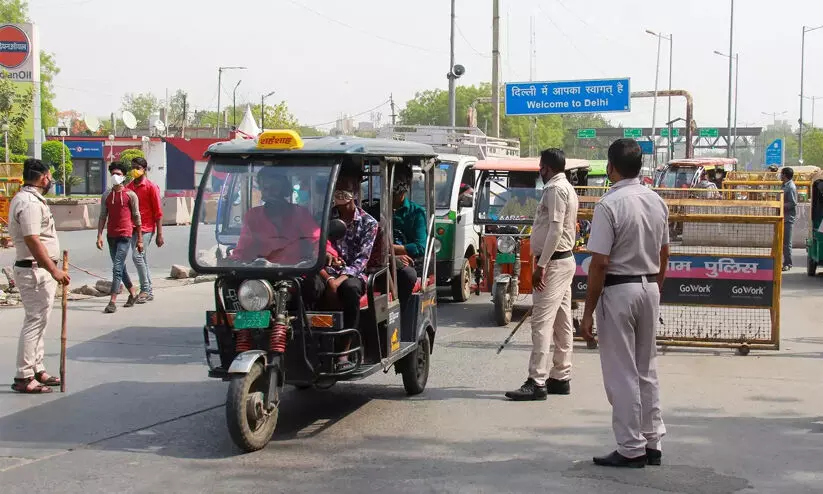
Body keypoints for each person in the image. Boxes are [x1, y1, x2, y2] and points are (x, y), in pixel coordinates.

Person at [579, 139, 669, 468]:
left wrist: (588, 312)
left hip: (619, 290)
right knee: (647, 369)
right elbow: (664, 253)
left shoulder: (609, 204)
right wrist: (654, 289)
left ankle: (631, 447)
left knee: (622, 373)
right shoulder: (656, 200)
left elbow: (599, 263)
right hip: (649, 287)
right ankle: (652, 441)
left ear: (611, 167)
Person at [505, 148, 579, 401]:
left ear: (547, 167)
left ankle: (537, 381)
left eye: (541, 166)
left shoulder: (555, 189)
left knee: (541, 322)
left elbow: (555, 230)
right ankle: (560, 376)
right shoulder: (566, 187)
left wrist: (541, 266)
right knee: (562, 321)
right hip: (562, 261)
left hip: (554, 263)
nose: (540, 171)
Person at [303, 160, 378, 372]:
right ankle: (309, 343)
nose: (342, 192)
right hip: (324, 270)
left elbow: (362, 260)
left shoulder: (369, 223)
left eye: (347, 187)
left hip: (352, 274)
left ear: (355, 191)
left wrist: (339, 279)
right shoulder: (324, 217)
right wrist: (328, 275)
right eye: (338, 187)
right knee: (307, 286)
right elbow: (315, 247)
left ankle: (345, 350)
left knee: (351, 289)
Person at [9, 159, 71, 394]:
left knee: (40, 321)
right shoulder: (29, 203)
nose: (50, 181)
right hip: (34, 269)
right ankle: (24, 375)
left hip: (39, 268)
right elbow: (32, 239)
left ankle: (36, 367)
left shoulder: (30, 199)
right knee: (35, 322)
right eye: (49, 177)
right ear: (44, 177)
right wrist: (54, 270)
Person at [230, 167, 324, 264]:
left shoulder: (300, 214)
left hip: (298, 271)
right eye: (265, 189)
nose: (269, 193)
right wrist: (233, 260)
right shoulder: (253, 216)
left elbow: (318, 239)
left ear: (285, 189)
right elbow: (243, 249)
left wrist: (325, 253)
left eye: (274, 188)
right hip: (262, 271)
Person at [97, 162, 143, 313]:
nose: (115, 176)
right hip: (111, 235)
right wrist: (99, 235)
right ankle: (133, 292)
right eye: (113, 174)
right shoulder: (106, 195)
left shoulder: (130, 195)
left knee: (117, 267)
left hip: (125, 235)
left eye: (118, 174)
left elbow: (137, 217)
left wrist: (140, 239)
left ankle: (112, 301)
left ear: (123, 176)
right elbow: (103, 216)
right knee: (120, 267)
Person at [126, 157, 164, 303]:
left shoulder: (151, 187)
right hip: (133, 228)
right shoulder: (129, 187)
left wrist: (159, 234)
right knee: (142, 259)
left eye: (137, 167)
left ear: (144, 169)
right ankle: (149, 290)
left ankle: (145, 289)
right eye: (132, 167)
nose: (134, 170)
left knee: (137, 257)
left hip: (147, 228)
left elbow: (158, 213)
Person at [391, 162, 427, 310]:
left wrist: (392, 249)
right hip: (378, 262)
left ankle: (402, 313)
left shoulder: (416, 212)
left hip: (405, 264)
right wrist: (390, 253)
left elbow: (420, 247)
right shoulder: (374, 210)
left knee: (408, 275)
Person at [780, 167, 798, 271]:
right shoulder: (784, 185)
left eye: (781, 173)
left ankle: (788, 263)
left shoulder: (791, 187)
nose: (780, 175)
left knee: (787, 243)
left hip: (788, 218)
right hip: (782, 217)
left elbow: (793, 203)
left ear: (785, 175)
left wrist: (780, 205)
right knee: (782, 242)